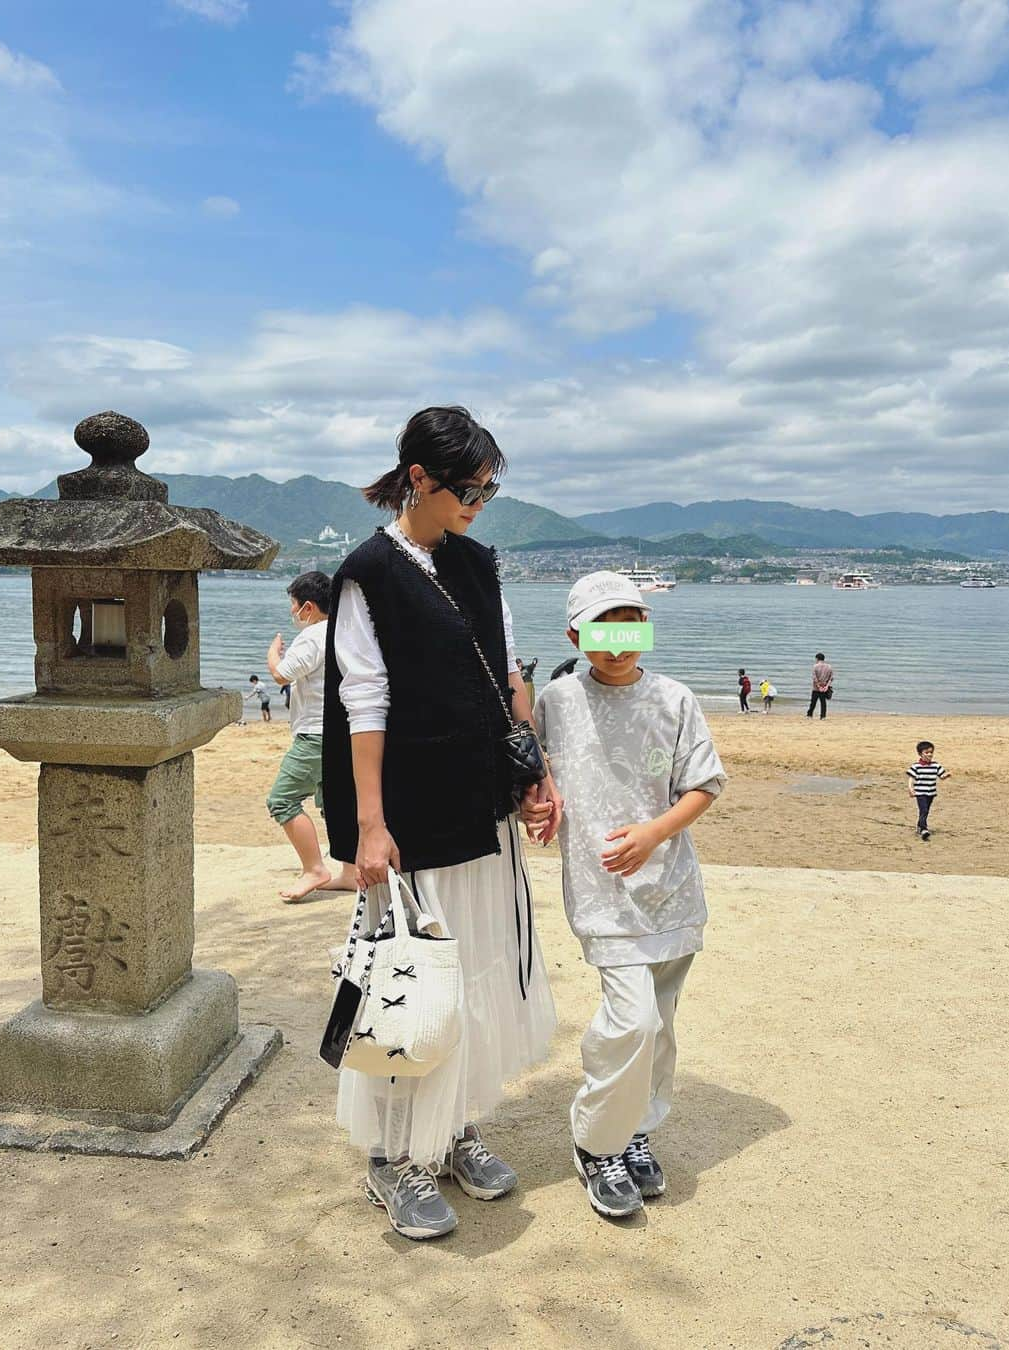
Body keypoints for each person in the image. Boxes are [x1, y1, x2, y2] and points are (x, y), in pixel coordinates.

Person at [322, 406, 559, 1241]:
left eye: (491, 488)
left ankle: (453, 1130)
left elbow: (505, 675)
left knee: (481, 973)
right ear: (418, 477)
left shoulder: (476, 563)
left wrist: (537, 774)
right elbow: (364, 703)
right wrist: (370, 826)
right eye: (469, 486)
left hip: (482, 800)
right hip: (414, 815)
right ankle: (393, 1162)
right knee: (414, 984)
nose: (480, 501)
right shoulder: (368, 574)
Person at [534, 571, 726, 1220]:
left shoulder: (674, 700)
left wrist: (652, 834)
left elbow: (702, 785)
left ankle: (638, 1127)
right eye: (602, 629)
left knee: (661, 1023)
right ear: (574, 635)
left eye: (629, 626)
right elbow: (534, 772)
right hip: (600, 892)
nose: (618, 645)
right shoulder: (556, 701)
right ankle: (598, 1142)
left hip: (671, 891)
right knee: (632, 1019)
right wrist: (540, 802)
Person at [264, 572, 356, 903]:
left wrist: (273, 653)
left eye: (293, 606)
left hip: (314, 735)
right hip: (343, 731)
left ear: (307, 607)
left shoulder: (312, 635)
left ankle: (314, 869)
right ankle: (350, 872)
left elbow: (280, 675)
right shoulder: (345, 631)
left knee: (282, 800)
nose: (291, 613)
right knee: (334, 802)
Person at [907, 740, 950, 841]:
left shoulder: (935, 765)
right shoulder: (916, 766)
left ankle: (919, 826)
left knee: (925, 811)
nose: (929, 754)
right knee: (924, 810)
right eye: (926, 752)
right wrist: (910, 788)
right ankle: (923, 829)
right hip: (920, 792)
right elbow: (911, 778)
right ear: (920, 754)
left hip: (931, 792)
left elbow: (941, 776)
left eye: (931, 752)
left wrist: (946, 775)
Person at [807, 652, 833, 719]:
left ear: (817, 658)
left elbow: (814, 678)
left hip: (816, 688)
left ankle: (810, 715)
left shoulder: (815, 666)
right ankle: (823, 716)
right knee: (823, 703)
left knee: (813, 702)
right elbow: (831, 678)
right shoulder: (829, 667)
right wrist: (826, 686)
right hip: (824, 687)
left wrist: (818, 686)